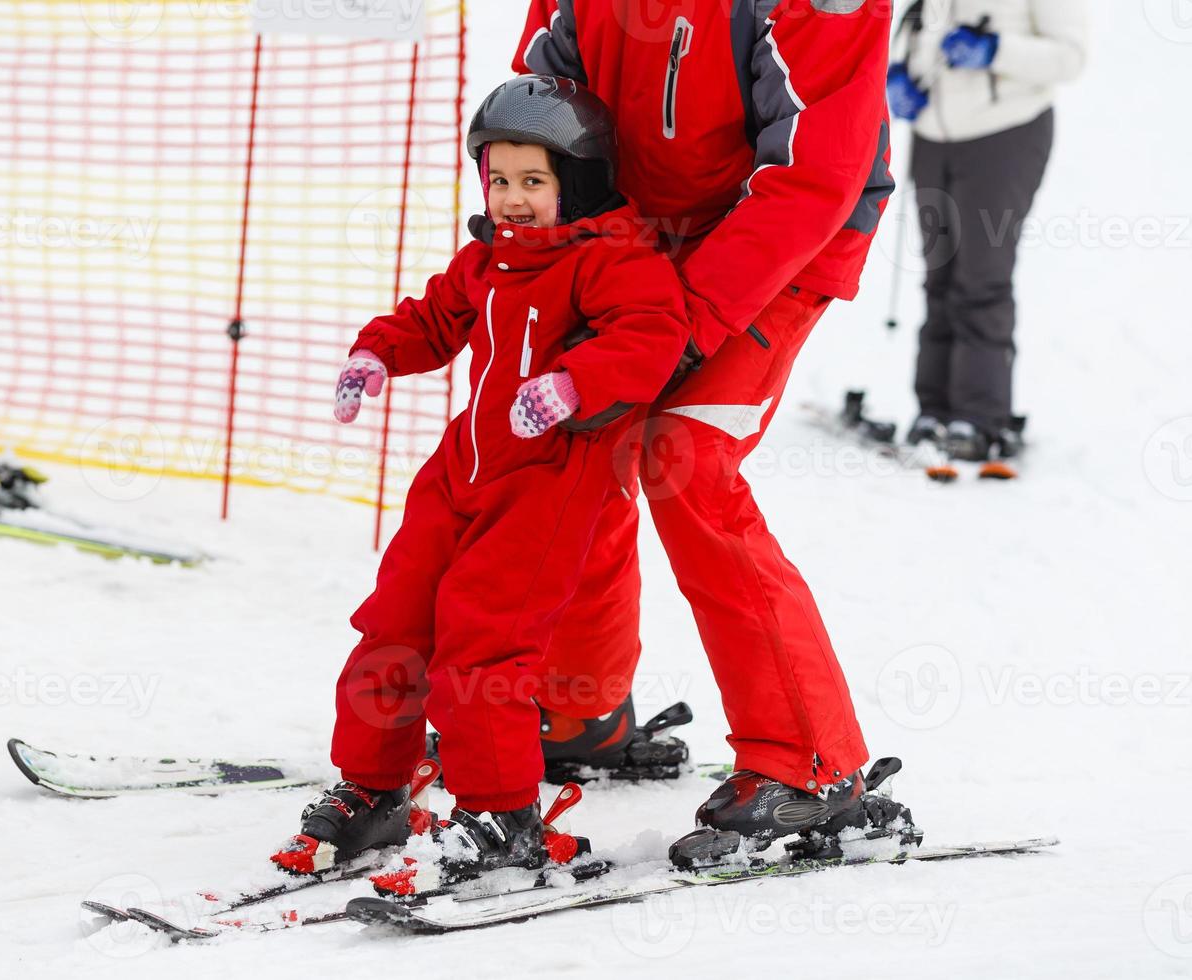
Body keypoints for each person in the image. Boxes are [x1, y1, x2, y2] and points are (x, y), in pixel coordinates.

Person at [511, 0, 910, 868]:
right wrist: (565, 270)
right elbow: (546, 113)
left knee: (682, 454)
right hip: (637, 233)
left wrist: (681, 325)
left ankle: (812, 765)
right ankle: (582, 708)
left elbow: (812, 171)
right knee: (584, 424)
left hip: (781, 241)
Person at [270, 76, 691, 885]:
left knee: (482, 644)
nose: (513, 199)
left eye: (535, 181)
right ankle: (375, 788)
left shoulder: (612, 257)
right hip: (463, 468)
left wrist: (574, 383)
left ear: (580, 181)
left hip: (550, 481)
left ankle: (501, 815)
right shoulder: (488, 258)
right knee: (394, 619)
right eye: (499, 180)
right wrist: (376, 351)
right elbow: (435, 316)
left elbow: (652, 334)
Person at [887, 0, 1087, 461]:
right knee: (939, 277)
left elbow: (1070, 55)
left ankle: (979, 417)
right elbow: (917, 29)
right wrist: (899, 72)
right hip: (933, 137)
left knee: (981, 279)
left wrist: (995, 50)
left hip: (1006, 134)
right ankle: (933, 410)